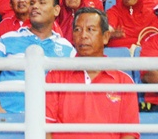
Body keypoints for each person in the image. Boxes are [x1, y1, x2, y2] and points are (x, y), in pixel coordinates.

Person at [45, 8, 140, 139]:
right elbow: (45, 128)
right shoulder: (55, 76)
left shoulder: (124, 82)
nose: (83, 35)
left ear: (105, 37)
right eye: (77, 30)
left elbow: (129, 134)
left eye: (90, 29)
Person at [0, 0, 76, 121]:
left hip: (49, 121)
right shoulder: (7, 39)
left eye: (42, 3)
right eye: (32, 3)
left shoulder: (68, 49)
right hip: (6, 117)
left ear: (56, 10)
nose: (35, 6)